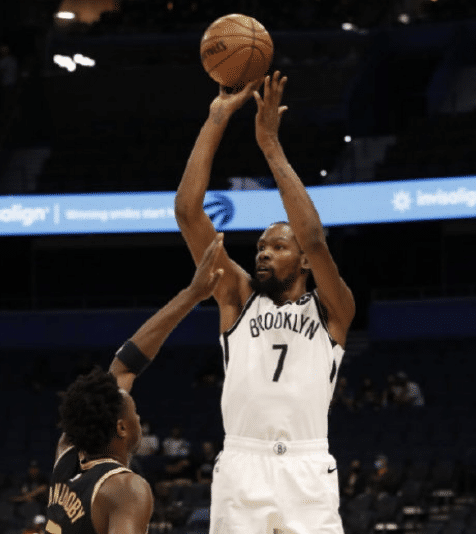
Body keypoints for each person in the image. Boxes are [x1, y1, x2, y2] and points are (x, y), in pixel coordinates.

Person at [175, 71, 355, 533]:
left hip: (307, 464)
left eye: (277, 246)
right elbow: (188, 212)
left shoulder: (333, 310)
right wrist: (216, 118)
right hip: (243, 460)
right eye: (260, 247)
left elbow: (314, 237)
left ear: (304, 261)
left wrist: (271, 146)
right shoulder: (237, 298)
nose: (263, 253)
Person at [44, 235, 225, 534]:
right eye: (134, 413)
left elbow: (125, 366)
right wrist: (191, 295)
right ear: (122, 427)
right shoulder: (125, 488)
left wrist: (192, 294)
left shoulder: (67, 457)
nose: (139, 418)